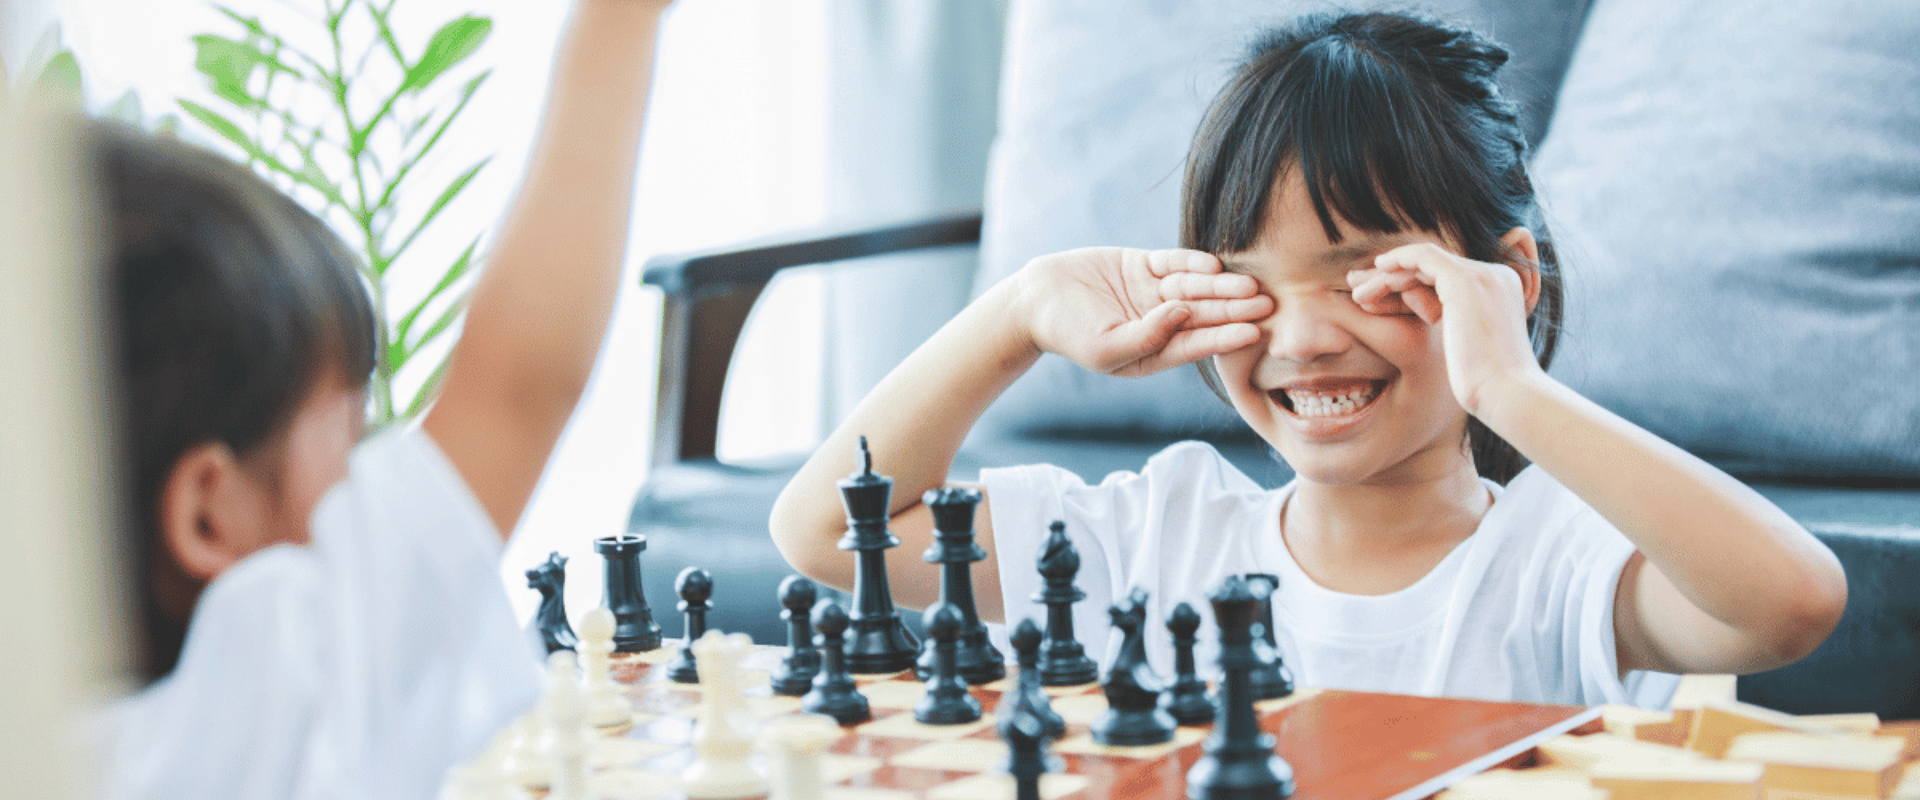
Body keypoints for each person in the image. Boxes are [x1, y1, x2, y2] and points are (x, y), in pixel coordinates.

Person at [769, 12, 1847, 708]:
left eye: (1363, 274)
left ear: (1501, 279)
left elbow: (1790, 601)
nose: (1302, 337)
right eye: (1250, 282)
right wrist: (1011, 314)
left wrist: (1510, 384)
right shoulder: (1157, 534)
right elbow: (824, 528)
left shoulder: (1559, 565)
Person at [81, 0, 674, 795]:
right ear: (206, 515)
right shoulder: (268, 699)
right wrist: (619, 20)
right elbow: (519, 388)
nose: (368, 470)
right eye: (347, 441)